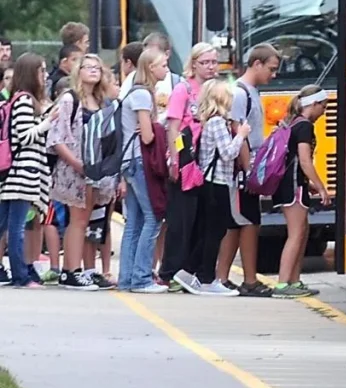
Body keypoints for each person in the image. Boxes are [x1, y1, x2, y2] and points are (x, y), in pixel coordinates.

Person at [48, 53, 118, 290]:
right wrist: (78, 164)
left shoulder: (100, 101)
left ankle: (79, 270)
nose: (93, 71)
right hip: (74, 170)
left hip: (95, 170)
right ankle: (70, 270)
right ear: (78, 71)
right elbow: (57, 138)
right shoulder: (70, 99)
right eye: (88, 67)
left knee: (86, 219)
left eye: (97, 67)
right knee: (77, 219)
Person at [216, 44, 280, 297]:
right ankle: (250, 280)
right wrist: (248, 169)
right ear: (257, 64)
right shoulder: (241, 93)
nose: (273, 75)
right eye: (271, 69)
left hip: (248, 163)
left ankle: (222, 276)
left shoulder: (251, 91)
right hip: (243, 167)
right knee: (250, 222)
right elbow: (237, 130)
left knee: (236, 224)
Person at [160, 42, 221, 292]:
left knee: (201, 219)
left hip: (206, 162)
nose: (210, 67)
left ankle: (189, 271)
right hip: (186, 158)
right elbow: (173, 126)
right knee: (181, 219)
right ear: (193, 64)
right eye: (204, 62)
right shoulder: (183, 89)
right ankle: (169, 272)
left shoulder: (214, 89)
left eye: (213, 62)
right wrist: (175, 159)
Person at [178, 80, 248, 296]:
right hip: (216, 183)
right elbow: (227, 153)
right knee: (214, 232)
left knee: (212, 231)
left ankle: (189, 272)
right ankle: (205, 278)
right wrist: (241, 135)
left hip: (213, 183)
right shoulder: (217, 122)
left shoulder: (212, 121)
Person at [0, 54, 56, 289]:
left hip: (13, 174)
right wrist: (47, 121)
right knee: (16, 228)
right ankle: (20, 276)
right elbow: (24, 136)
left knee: (5, 224)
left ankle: (19, 274)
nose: (44, 76)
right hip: (21, 174)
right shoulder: (24, 101)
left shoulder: (18, 99)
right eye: (41, 71)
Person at [272, 84, 331, 298]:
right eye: (323, 106)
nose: (324, 112)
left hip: (294, 184)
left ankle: (294, 281)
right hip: (293, 186)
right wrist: (322, 187)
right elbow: (304, 161)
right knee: (296, 234)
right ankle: (282, 284)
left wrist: (311, 183)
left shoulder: (294, 123)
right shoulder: (304, 126)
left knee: (303, 232)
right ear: (313, 104)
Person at [117, 49, 168, 294]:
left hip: (128, 161)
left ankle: (127, 278)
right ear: (150, 68)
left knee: (134, 222)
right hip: (139, 161)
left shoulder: (134, 92)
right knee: (153, 218)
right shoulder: (142, 95)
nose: (165, 70)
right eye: (163, 65)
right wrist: (158, 127)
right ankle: (141, 278)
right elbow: (147, 136)